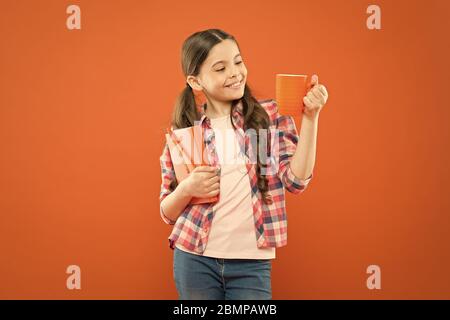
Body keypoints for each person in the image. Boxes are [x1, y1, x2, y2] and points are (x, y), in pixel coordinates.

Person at [159, 28, 329, 300]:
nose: (235, 73)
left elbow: (296, 181)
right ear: (195, 80)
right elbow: (167, 212)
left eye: (238, 61)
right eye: (220, 68)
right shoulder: (184, 132)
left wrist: (311, 118)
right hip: (194, 258)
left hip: (251, 262)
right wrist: (187, 188)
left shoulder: (270, 115)